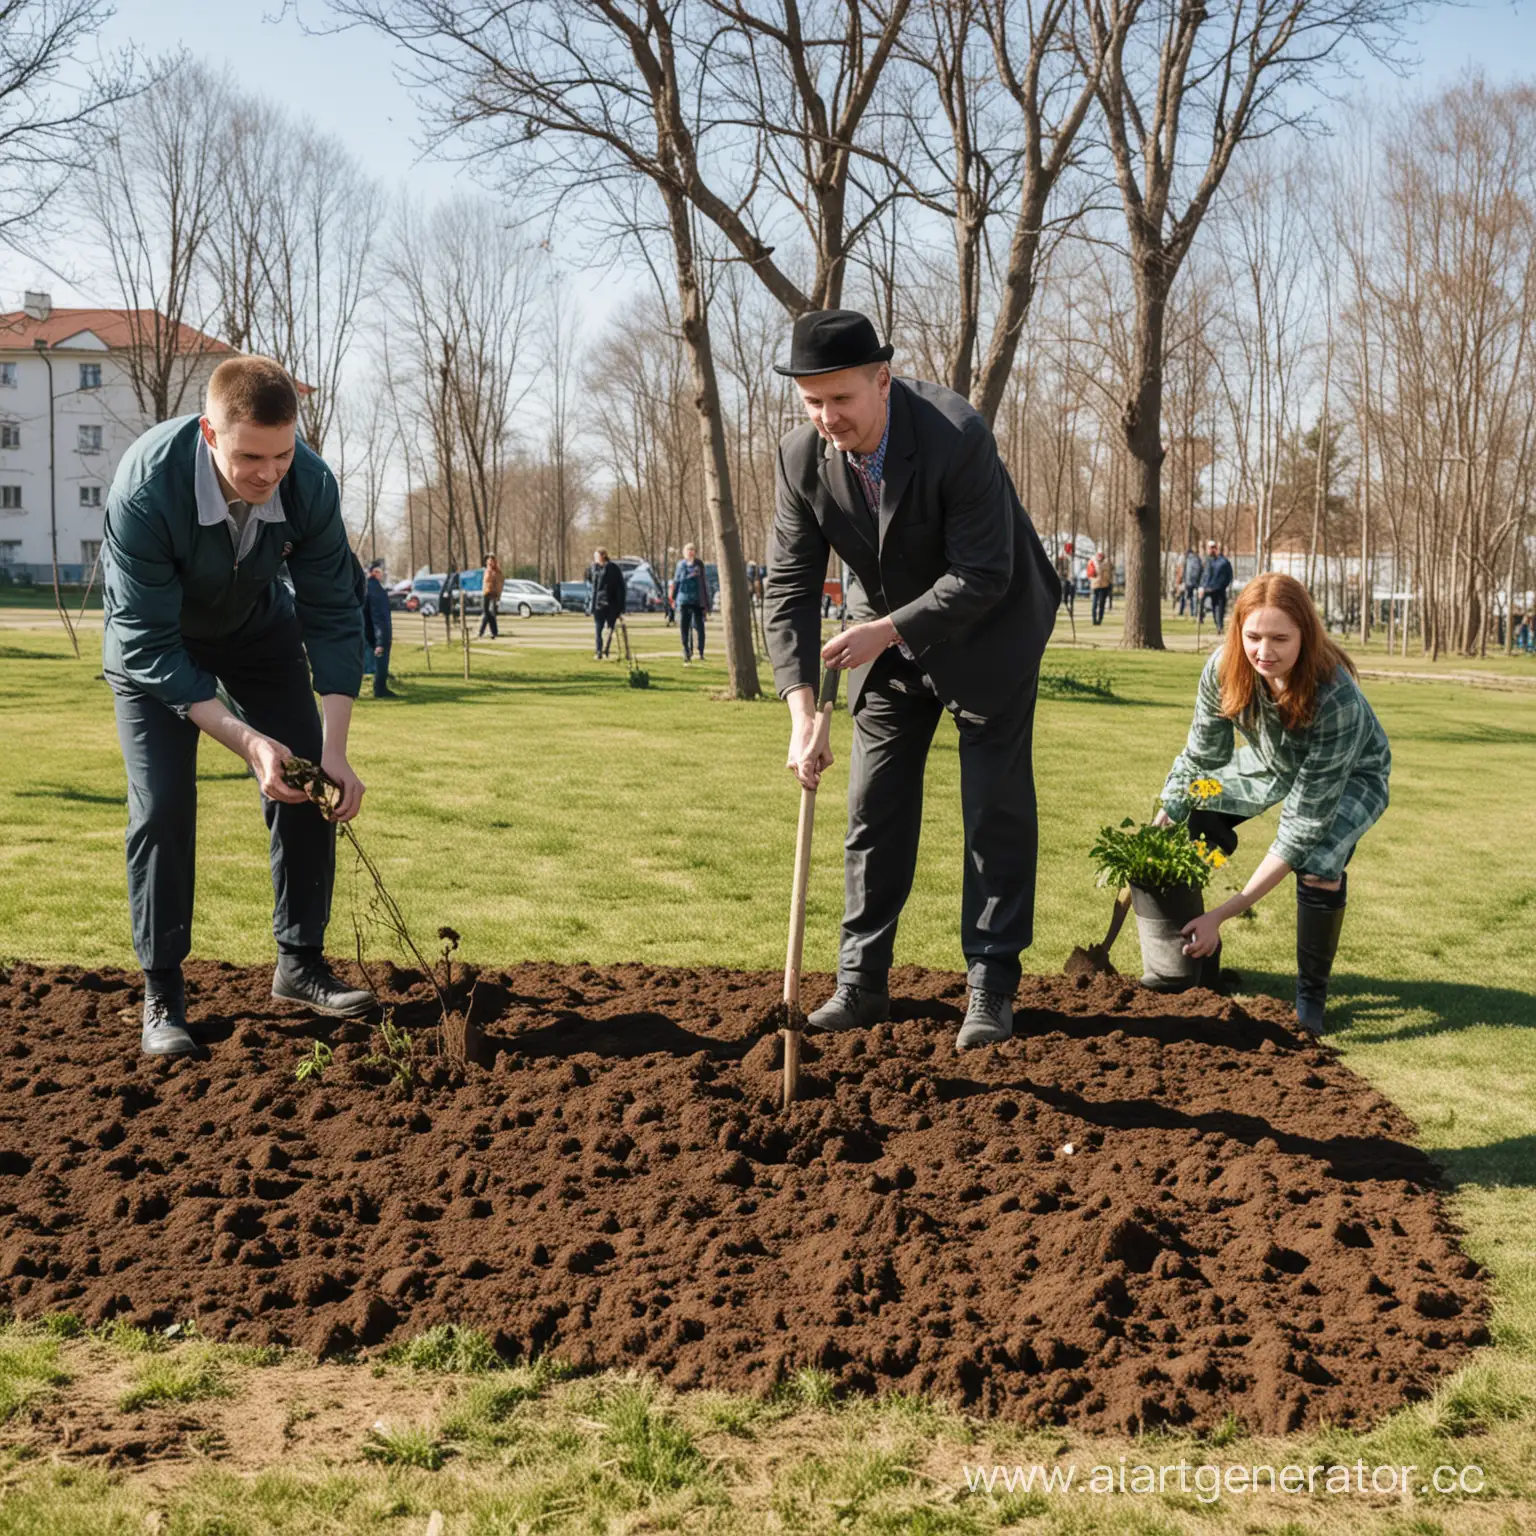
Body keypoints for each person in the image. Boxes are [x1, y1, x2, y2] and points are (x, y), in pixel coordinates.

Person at [764, 307, 1059, 1051]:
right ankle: (861, 984)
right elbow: (790, 588)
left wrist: (885, 631)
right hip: (886, 643)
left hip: (990, 630)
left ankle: (991, 985)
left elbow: (986, 572)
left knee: (993, 812)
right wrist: (802, 713)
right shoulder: (801, 459)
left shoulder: (956, 436)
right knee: (874, 806)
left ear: (882, 381)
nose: (827, 417)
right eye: (812, 401)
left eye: (842, 399)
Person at [102, 355, 374, 1059]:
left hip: (257, 634)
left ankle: (300, 963)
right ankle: (163, 988)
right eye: (251, 455)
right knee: (162, 806)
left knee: (308, 779)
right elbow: (152, 646)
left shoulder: (308, 482)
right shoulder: (145, 488)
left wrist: (333, 751)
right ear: (209, 433)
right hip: (154, 653)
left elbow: (335, 614)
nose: (267, 473)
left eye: (281, 454)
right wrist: (247, 742)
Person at [1156, 572, 1391, 1035]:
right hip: (1268, 760)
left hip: (1351, 776)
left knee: (1319, 864)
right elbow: (1204, 755)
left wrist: (1225, 912)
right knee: (1199, 806)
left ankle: (1311, 996)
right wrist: (1169, 808)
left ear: (1306, 633)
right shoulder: (1225, 669)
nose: (1265, 651)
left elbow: (1299, 829)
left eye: (1280, 638)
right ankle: (1201, 952)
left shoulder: (1335, 697)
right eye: (1253, 636)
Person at [672, 542, 711, 663]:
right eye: (688, 550)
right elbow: (677, 581)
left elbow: (704, 583)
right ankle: (686, 651)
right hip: (684, 600)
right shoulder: (681, 565)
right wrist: (673, 598)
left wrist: (706, 602)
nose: (691, 552)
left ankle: (701, 651)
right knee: (685, 627)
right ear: (685, 552)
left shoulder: (699, 565)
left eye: (693, 549)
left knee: (699, 627)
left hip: (697, 601)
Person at [363, 559, 396, 699]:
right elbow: (379, 617)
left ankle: (380, 688)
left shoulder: (367, 587)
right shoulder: (375, 590)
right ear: (375, 572)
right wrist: (381, 640)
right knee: (380, 662)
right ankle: (380, 689)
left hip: (368, 633)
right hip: (376, 634)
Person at [589, 547, 626, 658]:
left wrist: (620, 606)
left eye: (596, 556)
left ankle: (605, 650)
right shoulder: (595, 569)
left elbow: (620, 588)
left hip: (611, 603)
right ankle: (599, 651)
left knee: (609, 628)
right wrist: (592, 605)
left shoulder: (612, 568)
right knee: (598, 628)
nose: (595, 559)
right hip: (599, 604)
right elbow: (594, 588)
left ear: (603, 556)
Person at [1201, 540, 1233, 631]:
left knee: (1219, 608)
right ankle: (1217, 624)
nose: (1211, 550)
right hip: (1211, 588)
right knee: (1215, 607)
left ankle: (1219, 626)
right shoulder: (1209, 561)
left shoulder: (1222, 562)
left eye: (1212, 548)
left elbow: (1228, 575)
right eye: (1209, 548)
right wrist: (1203, 586)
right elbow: (1205, 575)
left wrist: (1224, 585)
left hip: (1218, 588)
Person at [478, 554, 504, 639]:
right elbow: (484, 583)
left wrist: (498, 595)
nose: (489, 563)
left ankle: (484, 631)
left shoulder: (497, 572)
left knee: (490, 613)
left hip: (493, 594)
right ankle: (492, 632)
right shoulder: (486, 571)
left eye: (491, 561)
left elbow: (499, 584)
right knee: (486, 613)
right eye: (488, 561)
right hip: (486, 593)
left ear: (494, 562)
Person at [1089, 549, 1113, 626]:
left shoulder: (1106, 563)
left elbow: (1109, 575)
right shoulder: (1093, 562)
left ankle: (1099, 620)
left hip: (1104, 585)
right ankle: (1094, 619)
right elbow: (1090, 574)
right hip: (1097, 585)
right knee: (1095, 603)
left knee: (1101, 603)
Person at [1178, 546, 1202, 617]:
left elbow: (1184, 571)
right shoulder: (1197, 559)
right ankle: (1194, 613)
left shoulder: (1187, 559)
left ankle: (1181, 611)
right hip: (1196, 583)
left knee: (1184, 597)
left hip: (1187, 582)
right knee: (1193, 598)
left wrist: (1183, 581)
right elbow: (1201, 570)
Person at [1055, 542, 1076, 616]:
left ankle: (1070, 608)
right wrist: (1064, 573)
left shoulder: (1072, 558)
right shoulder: (1062, 557)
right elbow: (1058, 568)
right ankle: (1066, 607)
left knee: (1072, 594)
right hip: (1064, 578)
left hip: (1071, 578)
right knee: (1064, 594)